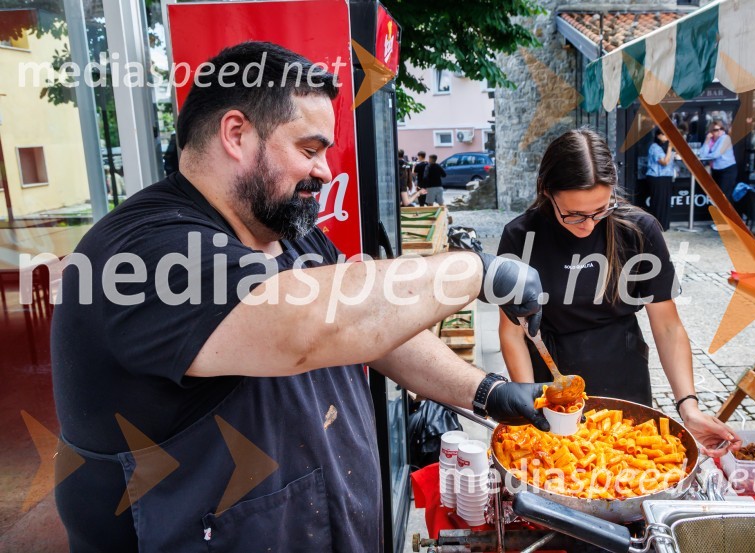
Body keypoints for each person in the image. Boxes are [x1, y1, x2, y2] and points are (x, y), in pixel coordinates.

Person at [51, 42, 549, 552]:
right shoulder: (142, 252)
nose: (325, 171)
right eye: (309, 150)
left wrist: (486, 392)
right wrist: (476, 270)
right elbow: (305, 326)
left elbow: (370, 328)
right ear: (236, 134)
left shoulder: (286, 232)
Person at [497, 128, 740, 457]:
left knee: (627, 464)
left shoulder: (639, 230)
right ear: (546, 190)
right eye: (573, 214)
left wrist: (688, 406)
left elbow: (668, 326)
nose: (588, 225)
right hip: (548, 377)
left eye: (600, 210)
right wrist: (529, 404)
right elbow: (512, 332)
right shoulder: (520, 236)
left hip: (623, 370)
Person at [698, 120, 737, 229]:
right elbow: (702, 153)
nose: (718, 132)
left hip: (727, 170)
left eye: (721, 129)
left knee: (724, 197)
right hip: (717, 170)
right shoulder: (711, 140)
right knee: (718, 197)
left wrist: (706, 154)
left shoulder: (725, 138)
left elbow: (715, 155)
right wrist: (707, 140)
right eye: (715, 130)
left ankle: (727, 223)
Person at [645, 129, 675, 231]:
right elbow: (664, 162)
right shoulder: (654, 147)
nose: (666, 137)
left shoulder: (664, 147)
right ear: (658, 135)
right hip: (657, 177)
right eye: (664, 134)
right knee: (658, 202)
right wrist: (670, 148)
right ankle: (655, 226)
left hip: (666, 176)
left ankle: (664, 225)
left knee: (665, 202)